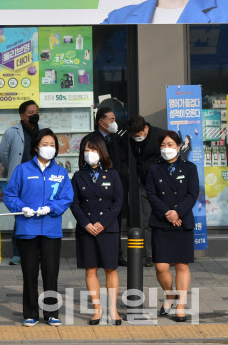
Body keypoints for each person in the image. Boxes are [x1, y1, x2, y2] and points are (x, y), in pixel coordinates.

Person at [3, 128, 73, 327]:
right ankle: (31, 312)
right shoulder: (22, 170)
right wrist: (21, 207)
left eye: (52, 145)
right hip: (27, 229)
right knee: (30, 272)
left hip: (51, 230)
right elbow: (9, 195)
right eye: (45, 144)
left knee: (51, 273)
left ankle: (51, 313)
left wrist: (50, 208)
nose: (49, 148)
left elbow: (67, 197)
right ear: (35, 147)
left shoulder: (60, 172)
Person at [70, 134, 123, 325]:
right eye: (86, 150)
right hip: (87, 229)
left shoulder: (112, 174)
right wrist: (86, 224)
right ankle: (97, 309)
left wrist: (103, 223)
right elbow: (74, 204)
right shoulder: (78, 176)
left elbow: (118, 203)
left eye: (93, 149)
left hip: (107, 228)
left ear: (102, 152)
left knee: (110, 269)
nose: (89, 153)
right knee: (90, 270)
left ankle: (113, 310)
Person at [146, 130, 199, 321]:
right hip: (161, 222)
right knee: (161, 266)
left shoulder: (190, 168)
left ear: (179, 147)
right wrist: (168, 214)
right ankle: (170, 295)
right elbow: (151, 194)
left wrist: (178, 212)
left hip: (182, 222)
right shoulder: (153, 169)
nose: (166, 149)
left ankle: (181, 306)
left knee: (181, 265)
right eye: (163, 145)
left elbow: (192, 194)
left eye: (170, 145)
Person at [81, 107, 129, 266]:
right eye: (111, 120)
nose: (114, 123)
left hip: (115, 184)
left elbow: (124, 160)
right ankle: (96, 253)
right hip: (93, 185)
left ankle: (116, 254)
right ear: (101, 122)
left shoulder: (118, 138)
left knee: (115, 218)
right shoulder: (90, 139)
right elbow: (83, 162)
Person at [0, 99, 41, 265]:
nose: (35, 115)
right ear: (22, 116)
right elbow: (4, 154)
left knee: (38, 214)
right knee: (21, 215)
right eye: (31, 113)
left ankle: (36, 252)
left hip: (39, 179)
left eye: (36, 112)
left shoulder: (43, 131)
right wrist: (15, 170)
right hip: (21, 180)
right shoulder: (12, 132)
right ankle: (17, 253)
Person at [127, 115, 165, 267]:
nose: (137, 138)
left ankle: (166, 252)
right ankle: (149, 254)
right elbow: (138, 159)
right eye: (133, 136)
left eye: (138, 135)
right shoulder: (132, 140)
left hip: (162, 184)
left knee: (165, 218)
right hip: (145, 183)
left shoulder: (159, 136)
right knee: (147, 220)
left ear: (145, 128)